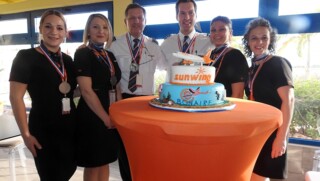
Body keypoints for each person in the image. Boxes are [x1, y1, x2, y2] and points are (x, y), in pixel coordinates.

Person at [9, 10, 77, 180]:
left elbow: (71, 90)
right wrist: (25, 134)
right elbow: (16, 98)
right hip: (43, 129)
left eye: (59, 28)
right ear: (40, 28)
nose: (54, 32)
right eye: (48, 26)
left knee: (68, 170)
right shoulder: (25, 57)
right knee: (50, 175)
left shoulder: (67, 61)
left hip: (70, 126)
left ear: (65, 32)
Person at [109, 3, 166, 181]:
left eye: (140, 18)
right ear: (125, 21)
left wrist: (164, 89)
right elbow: (109, 76)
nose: (136, 21)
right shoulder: (115, 46)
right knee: (125, 148)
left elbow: (167, 68)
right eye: (132, 18)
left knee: (145, 147)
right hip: (124, 101)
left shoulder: (154, 45)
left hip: (146, 103)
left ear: (145, 21)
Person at [242, 17, 295, 181]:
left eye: (264, 37)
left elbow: (289, 101)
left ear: (270, 39)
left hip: (274, 131)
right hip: (258, 131)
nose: (259, 42)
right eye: (254, 38)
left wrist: (281, 138)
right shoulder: (252, 69)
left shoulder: (278, 63)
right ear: (248, 42)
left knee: (258, 176)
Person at [73, 14, 121, 181]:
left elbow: (116, 85)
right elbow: (86, 91)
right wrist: (106, 118)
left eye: (105, 27)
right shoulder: (82, 54)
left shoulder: (110, 55)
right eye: (96, 27)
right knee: (93, 164)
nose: (101, 31)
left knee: (105, 160)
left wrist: (117, 113)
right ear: (88, 31)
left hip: (110, 111)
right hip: (92, 115)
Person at [161, 0, 213, 67]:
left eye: (191, 13)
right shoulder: (167, 44)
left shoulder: (209, 41)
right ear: (177, 16)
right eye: (182, 13)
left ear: (196, 16)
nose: (187, 17)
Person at [207, 16, 249, 98]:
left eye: (222, 29)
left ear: (230, 33)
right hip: (209, 105)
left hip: (226, 108)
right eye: (213, 30)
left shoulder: (236, 56)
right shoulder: (209, 55)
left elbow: (238, 94)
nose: (216, 33)